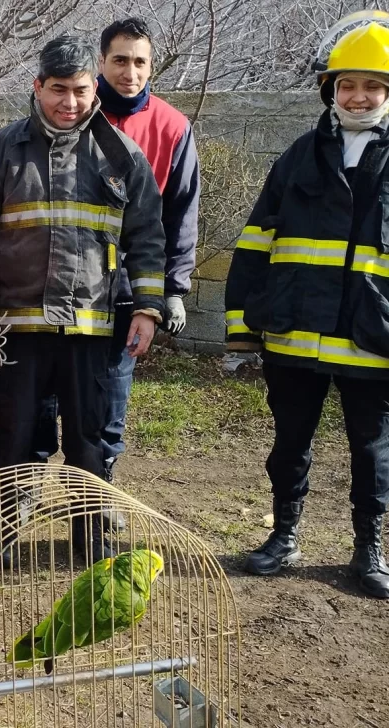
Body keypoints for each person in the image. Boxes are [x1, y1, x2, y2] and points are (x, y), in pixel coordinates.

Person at [0, 36, 166, 565]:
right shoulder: (0, 151)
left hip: (91, 329)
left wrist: (147, 307)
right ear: (37, 87)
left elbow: (147, 237)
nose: (69, 103)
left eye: (79, 91)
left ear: (93, 87)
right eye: (57, 91)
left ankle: (91, 550)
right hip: (16, 329)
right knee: (13, 439)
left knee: (89, 445)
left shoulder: (122, 155)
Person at [225, 12, 389, 599]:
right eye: (348, 84)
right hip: (293, 333)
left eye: (373, 85)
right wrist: (243, 326)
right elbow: (255, 241)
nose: (358, 95)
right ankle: (283, 537)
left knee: (372, 453)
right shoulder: (298, 155)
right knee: (289, 441)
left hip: (371, 339)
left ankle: (368, 551)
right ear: (330, 89)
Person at [26, 17, 200, 484]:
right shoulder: (71, 113)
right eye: (120, 60)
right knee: (41, 397)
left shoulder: (172, 127)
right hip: (63, 283)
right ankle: (29, 483)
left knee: (109, 399)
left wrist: (170, 289)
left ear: (152, 66)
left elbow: (178, 215)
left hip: (127, 287)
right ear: (101, 62)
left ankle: (98, 486)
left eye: (140, 62)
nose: (130, 72)